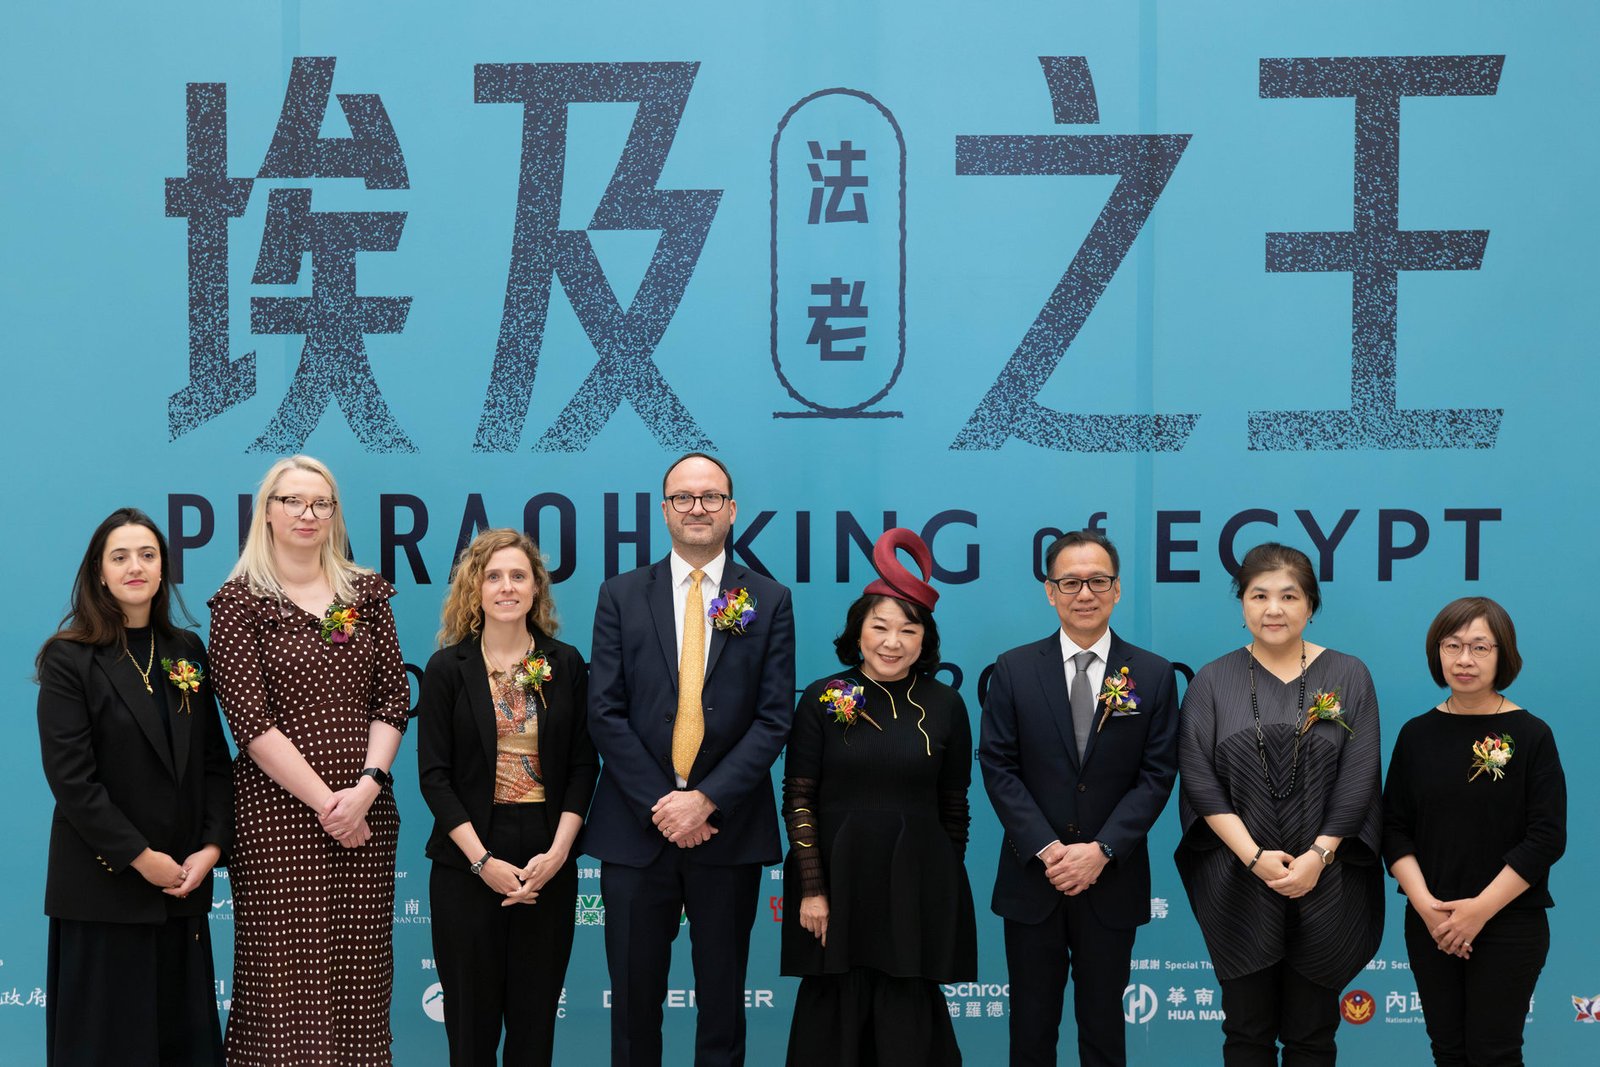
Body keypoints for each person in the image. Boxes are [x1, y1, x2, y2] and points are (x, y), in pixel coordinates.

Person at [583, 452, 796, 1067]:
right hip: (636, 830)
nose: (696, 507)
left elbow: (773, 717)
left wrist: (705, 801)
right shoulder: (621, 595)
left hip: (728, 832)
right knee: (632, 1007)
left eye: (710, 497)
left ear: (732, 510)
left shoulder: (769, 599)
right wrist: (666, 806)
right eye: (683, 497)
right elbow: (605, 712)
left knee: (723, 1007)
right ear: (664, 510)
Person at [206, 455, 410, 1065]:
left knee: (359, 979)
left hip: (366, 818)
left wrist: (366, 788)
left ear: (334, 514)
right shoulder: (239, 603)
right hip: (277, 822)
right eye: (292, 501)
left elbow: (392, 699)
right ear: (267, 512)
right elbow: (250, 724)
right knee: (281, 983)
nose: (307, 513)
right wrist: (329, 805)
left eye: (321, 503)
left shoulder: (365, 593)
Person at [35, 507, 233, 1066]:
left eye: (147, 555)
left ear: (164, 568)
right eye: (119, 557)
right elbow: (72, 781)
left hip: (181, 892)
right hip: (105, 893)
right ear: (99, 573)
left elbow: (215, 763)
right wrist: (142, 859)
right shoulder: (70, 657)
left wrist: (210, 849)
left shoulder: (186, 650)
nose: (135, 567)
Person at [1175, 542, 1383, 1066]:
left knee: (1313, 1035)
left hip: (1327, 879)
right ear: (1242, 603)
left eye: (1289, 596)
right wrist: (1253, 858)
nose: (1274, 609)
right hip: (1239, 878)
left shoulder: (1349, 674)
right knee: (1246, 1032)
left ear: (1310, 604)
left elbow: (1359, 776)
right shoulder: (1212, 680)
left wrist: (1319, 856)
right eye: (1259, 595)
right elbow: (1199, 779)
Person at [978, 528, 1179, 1067]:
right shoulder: (1014, 669)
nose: (1084, 593)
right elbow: (998, 765)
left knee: (1104, 1031)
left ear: (1117, 589)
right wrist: (1048, 849)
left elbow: (1157, 774)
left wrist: (1102, 850)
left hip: (1110, 880)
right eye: (1070, 582)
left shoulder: (1153, 674)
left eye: (1098, 581)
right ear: (1050, 591)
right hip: (1033, 879)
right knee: (1030, 1031)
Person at [781, 528, 977, 1065]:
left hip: (914, 885)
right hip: (838, 880)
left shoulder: (947, 705)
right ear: (859, 632)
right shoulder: (824, 696)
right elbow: (798, 797)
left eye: (908, 630)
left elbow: (954, 804)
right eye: (880, 627)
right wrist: (812, 888)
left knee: (907, 1018)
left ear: (924, 640)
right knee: (832, 1016)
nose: (893, 642)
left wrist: (941, 884)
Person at [416, 529, 599, 1065]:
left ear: (536, 588)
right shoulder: (447, 669)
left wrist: (558, 854)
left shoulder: (565, 663)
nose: (506, 587)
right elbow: (434, 777)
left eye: (519, 576)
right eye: (493, 576)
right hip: (467, 861)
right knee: (470, 1036)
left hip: (547, 857)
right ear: (474, 589)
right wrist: (483, 863)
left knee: (534, 1032)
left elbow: (584, 765)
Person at [1382, 597, 1565, 1067]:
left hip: (1509, 921)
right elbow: (1394, 829)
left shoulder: (1531, 734)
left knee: (1494, 1053)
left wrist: (1478, 912)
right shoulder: (1416, 735)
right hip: (1432, 922)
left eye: (1480, 647)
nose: (1465, 659)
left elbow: (1546, 837)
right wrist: (1428, 908)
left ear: (1503, 655)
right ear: (1437, 653)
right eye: (1453, 646)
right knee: (1448, 1052)